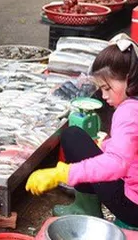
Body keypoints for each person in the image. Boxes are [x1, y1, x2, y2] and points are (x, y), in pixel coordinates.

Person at [26, 34, 138, 229]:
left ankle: (86, 208)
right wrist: (107, 145)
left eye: (107, 88)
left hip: (133, 208)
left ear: (127, 79)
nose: (104, 96)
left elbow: (116, 164)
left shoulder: (128, 111)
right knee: (90, 144)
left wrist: (63, 173)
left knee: (73, 136)